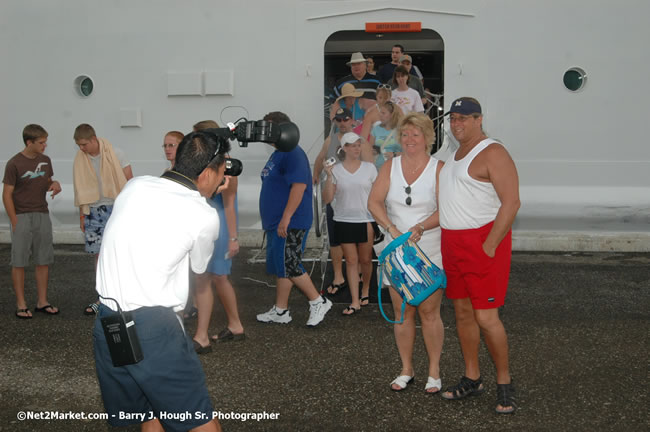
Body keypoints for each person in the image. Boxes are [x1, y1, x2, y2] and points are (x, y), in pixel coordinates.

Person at [93, 130, 227, 431]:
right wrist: (206, 199)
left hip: (108, 322)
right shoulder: (203, 215)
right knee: (200, 422)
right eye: (221, 171)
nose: (223, 177)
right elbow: (200, 266)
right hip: (154, 328)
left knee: (144, 414)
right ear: (207, 174)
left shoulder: (134, 185)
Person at [438, 97, 520, 414]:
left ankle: (504, 383)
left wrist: (489, 246)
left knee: (487, 318)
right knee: (462, 314)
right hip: (453, 244)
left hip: (482, 243)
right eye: (453, 118)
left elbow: (511, 202)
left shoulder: (493, 152)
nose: (457, 123)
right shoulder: (453, 153)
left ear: (478, 119)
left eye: (463, 118)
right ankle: (472, 377)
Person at [368, 112, 445, 394]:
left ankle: (434, 371)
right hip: (396, 250)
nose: (409, 139)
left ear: (427, 138)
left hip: (429, 250)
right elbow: (374, 202)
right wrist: (392, 228)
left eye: (415, 134)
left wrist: (421, 226)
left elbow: (446, 208)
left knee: (429, 312)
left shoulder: (439, 168)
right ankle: (406, 369)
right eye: (405, 134)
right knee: (401, 313)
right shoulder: (390, 166)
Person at [256, 111, 332, 326]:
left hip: (292, 221)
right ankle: (281, 311)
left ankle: (318, 301)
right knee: (283, 266)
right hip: (279, 222)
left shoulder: (292, 153)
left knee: (290, 264)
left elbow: (299, 187)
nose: (265, 133)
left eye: (269, 128)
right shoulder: (278, 153)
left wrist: (286, 218)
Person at [191, 120, 245, 354]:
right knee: (208, 277)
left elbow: (230, 205)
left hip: (221, 227)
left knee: (217, 277)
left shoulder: (227, 167)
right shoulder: (205, 163)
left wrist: (233, 238)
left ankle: (228, 328)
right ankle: (232, 327)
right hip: (206, 224)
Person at [72, 123, 133, 316]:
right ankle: (102, 297)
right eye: (79, 145)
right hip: (93, 209)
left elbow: (129, 181)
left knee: (120, 253)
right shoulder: (80, 158)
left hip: (116, 206)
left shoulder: (116, 153)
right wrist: (83, 215)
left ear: (93, 139)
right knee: (99, 255)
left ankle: (124, 295)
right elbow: (80, 189)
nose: (82, 148)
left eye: (84, 144)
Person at [3, 124, 62, 319]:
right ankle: (21, 304)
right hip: (20, 216)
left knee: (43, 260)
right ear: (29, 142)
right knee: (19, 261)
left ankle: (42, 302)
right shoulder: (14, 164)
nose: (45, 145)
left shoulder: (45, 161)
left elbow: (46, 182)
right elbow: (7, 194)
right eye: (41, 142)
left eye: (45, 142)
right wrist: (14, 220)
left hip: (42, 215)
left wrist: (54, 184)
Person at [322, 132, 377, 314]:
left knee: (366, 260)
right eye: (352, 145)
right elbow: (328, 199)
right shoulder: (335, 170)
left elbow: (378, 195)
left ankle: (365, 288)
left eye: (358, 145)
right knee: (351, 261)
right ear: (344, 148)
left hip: (366, 219)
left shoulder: (370, 168)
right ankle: (354, 301)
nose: (356, 148)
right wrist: (329, 176)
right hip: (343, 219)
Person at [313, 108, 358, 296]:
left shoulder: (359, 141)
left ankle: (359, 275)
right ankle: (339, 276)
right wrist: (315, 176)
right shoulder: (330, 140)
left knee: (356, 238)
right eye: (338, 120)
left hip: (354, 198)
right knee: (335, 239)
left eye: (345, 119)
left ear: (352, 121)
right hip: (333, 196)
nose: (342, 123)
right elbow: (320, 158)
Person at [369, 101, 404, 169]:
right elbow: (369, 149)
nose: (380, 115)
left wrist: (394, 154)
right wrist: (373, 151)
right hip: (378, 168)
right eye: (380, 112)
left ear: (391, 115)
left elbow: (408, 153)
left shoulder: (401, 131)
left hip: (396, 168)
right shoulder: (376, 129)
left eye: (383, 113)